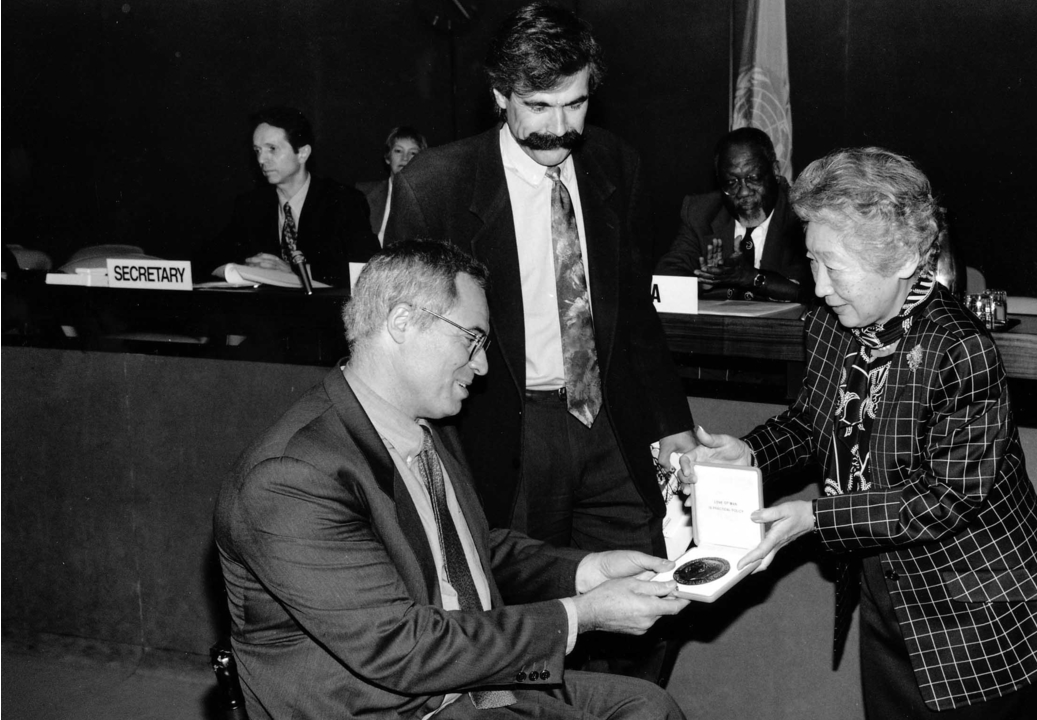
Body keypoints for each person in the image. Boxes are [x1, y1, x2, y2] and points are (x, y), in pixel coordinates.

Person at [677, 148, 1037, 718]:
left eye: (832, 267)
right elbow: (812, 420)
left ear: (903, 260)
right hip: (886, 588)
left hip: (978, 610)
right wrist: (750, 450)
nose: (817, 288)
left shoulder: (959, 347)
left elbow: (945, 498)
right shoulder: (831, 320)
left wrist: (814, 518)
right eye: (812, 262)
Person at [214, 240, 689, 719]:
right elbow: (403, 650)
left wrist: (589, 572)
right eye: (472, 339)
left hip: (468, 681)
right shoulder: (290, 478)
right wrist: (582, 615)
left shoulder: (422, 426)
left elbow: (473, 553)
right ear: (402, 323)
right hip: (399, 704)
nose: (482, 366)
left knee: (647, 705)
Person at [385, 2, 696, 682]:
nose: (560, 128)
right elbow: (401, 349)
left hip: (608, 425)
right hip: (505, 429)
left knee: (653, 595)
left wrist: (675, 428)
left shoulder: (618, 164)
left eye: (576, 103)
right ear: (500, 96)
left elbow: (634, 319)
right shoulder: (434, 188)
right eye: (538, 105)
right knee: (525, 607)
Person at [196, 107, 379, 287]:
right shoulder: (250, 205)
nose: (261, 159)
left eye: (272, 149)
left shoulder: (343, 201)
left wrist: (295, 271)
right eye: (257, 150)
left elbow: (367, 270)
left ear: (303, 153)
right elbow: (210, 257)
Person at [654, 127, 811, 302]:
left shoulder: (800, 214)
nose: (743, 192)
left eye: (753, 178)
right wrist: (703, 281)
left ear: (774, 171)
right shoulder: (701, 213)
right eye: (731, 182)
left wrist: (752, 278)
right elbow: (665, 275)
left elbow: (810, 291)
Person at [357, 126, 427, 244]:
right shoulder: (364, 193)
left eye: (413, 153)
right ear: (387, 157)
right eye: (398, 151)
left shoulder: (430, 199)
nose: (405, 158)